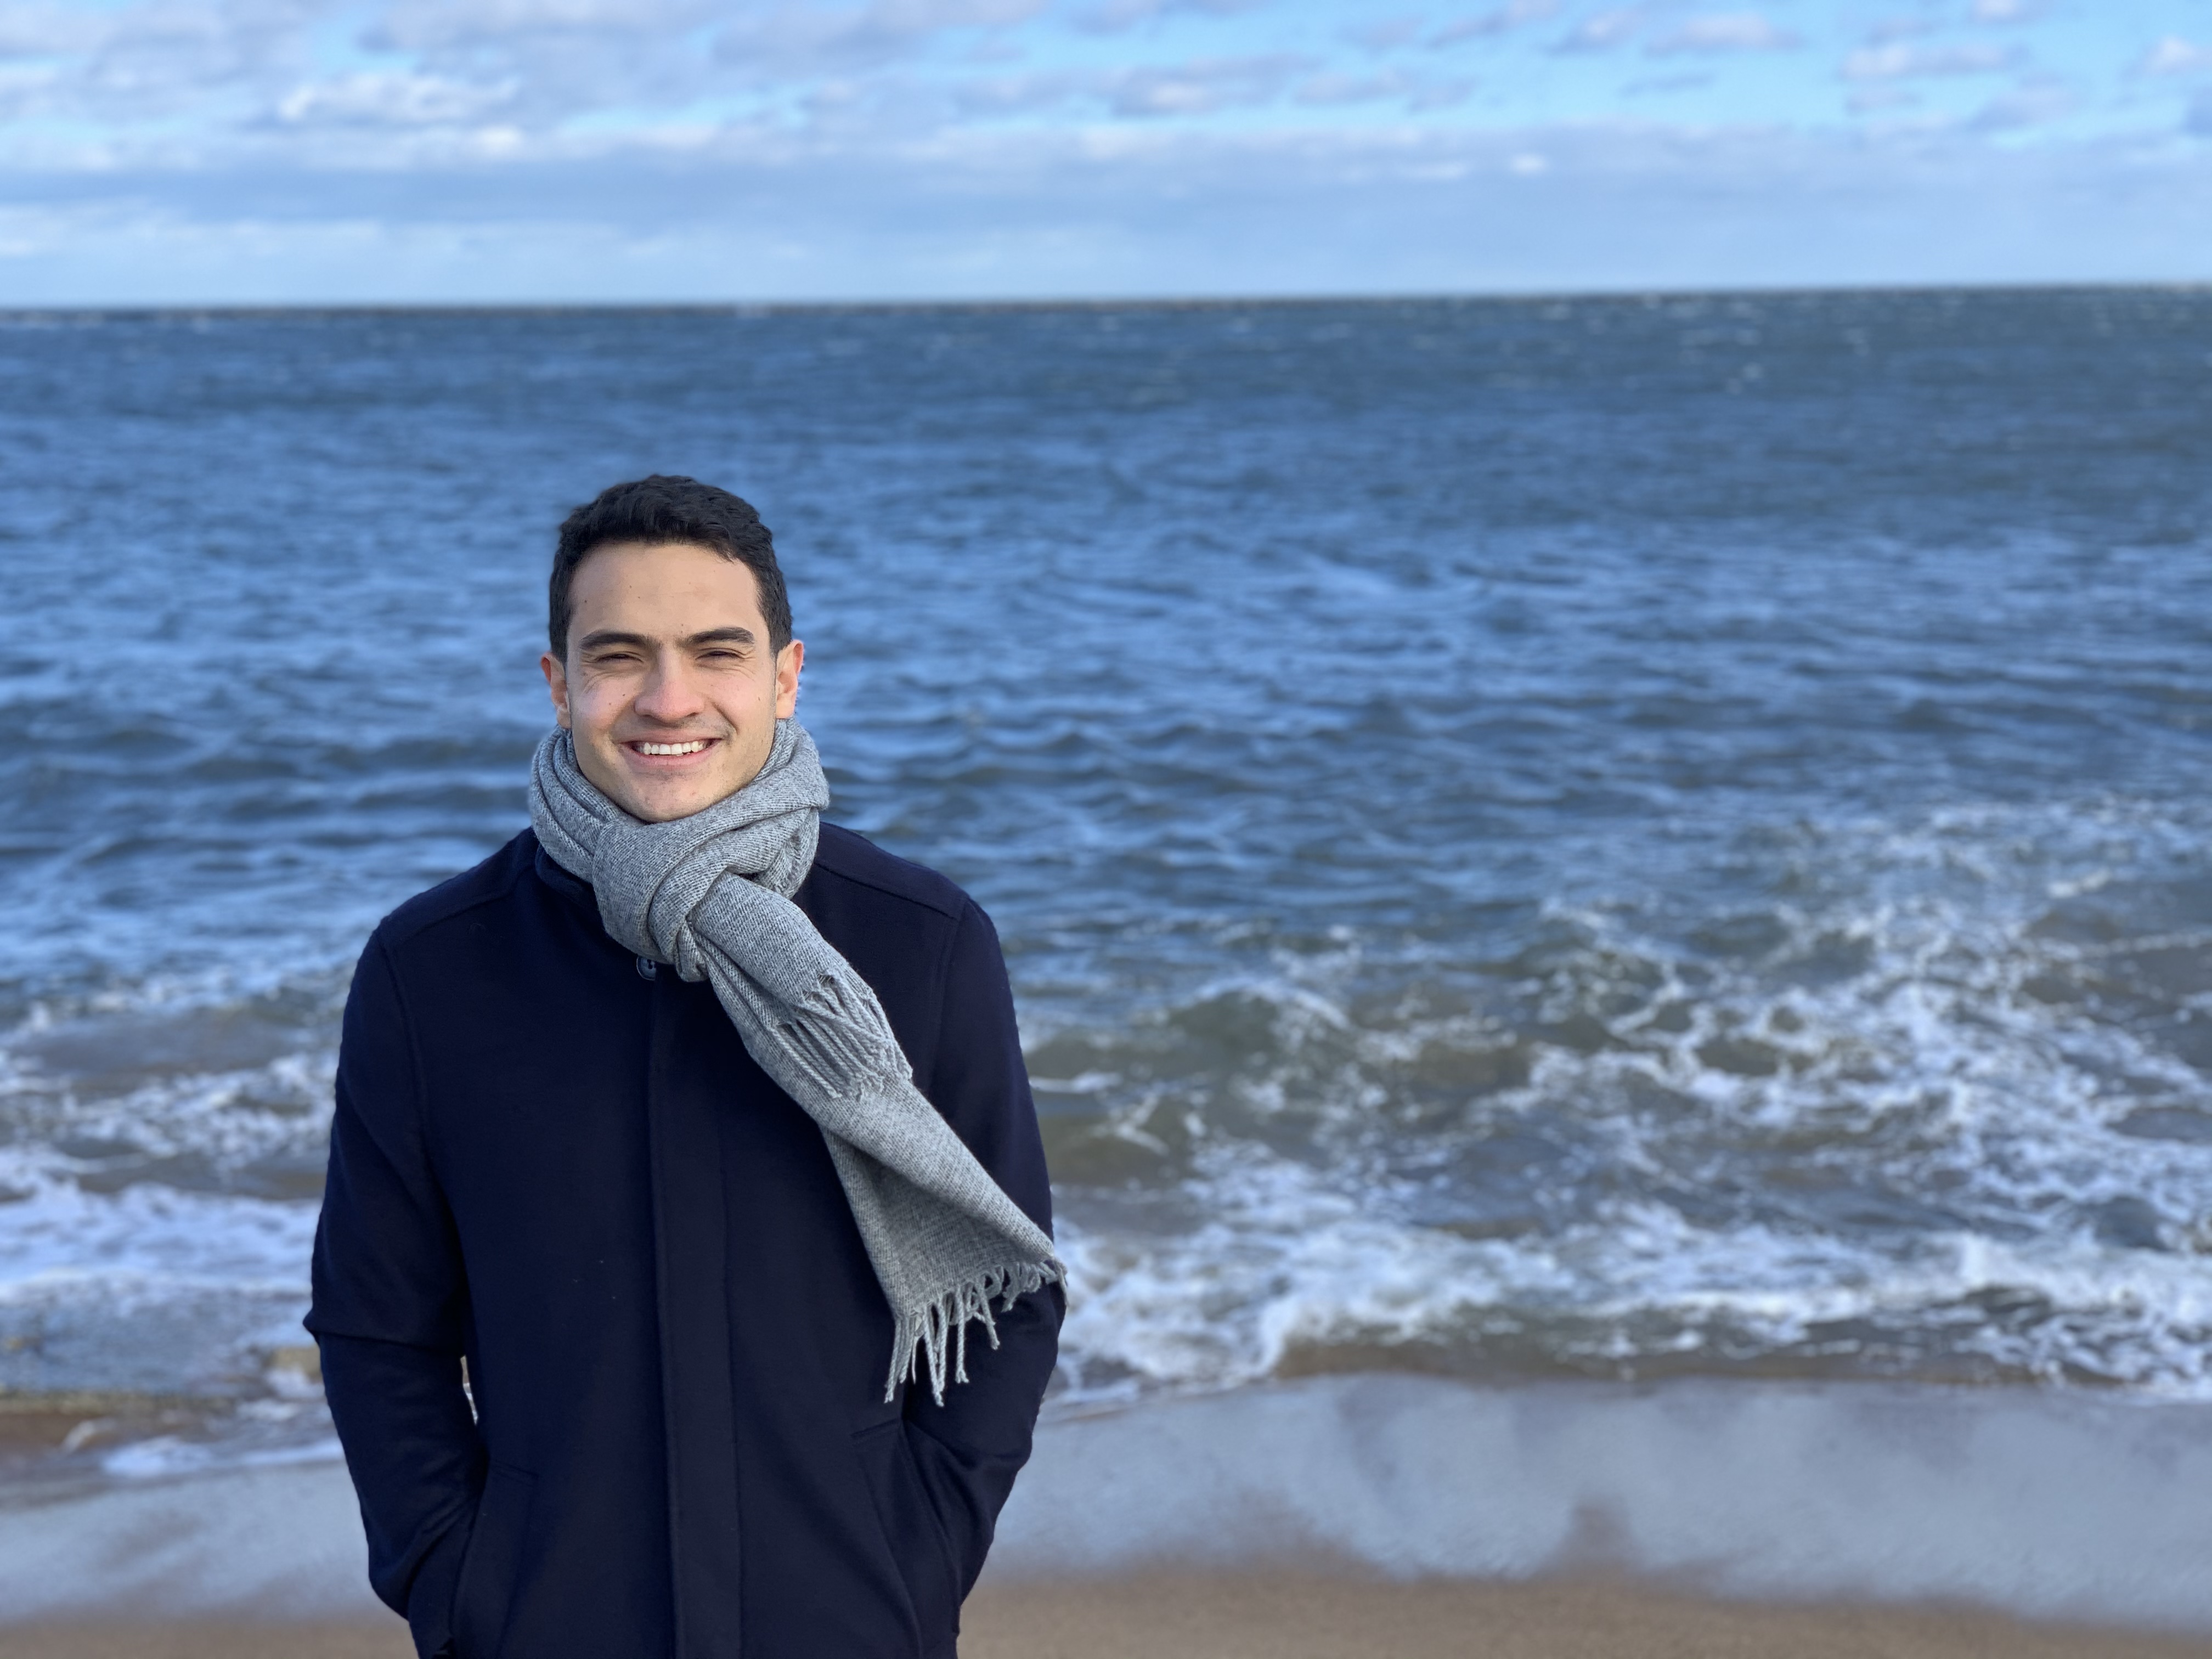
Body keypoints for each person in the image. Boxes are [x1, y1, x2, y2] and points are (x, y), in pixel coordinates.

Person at [307, 475, 1064, 1659]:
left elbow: (1007, 1284)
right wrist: (461, 1581)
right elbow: (378, 1328)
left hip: (851, 1613)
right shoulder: (433, 970)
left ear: (785, 675)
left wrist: (918, 1556)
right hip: (548, 1622)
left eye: (717, 652)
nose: (670, 699)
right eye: (619, 657)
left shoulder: (921, 943)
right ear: (559, 685)